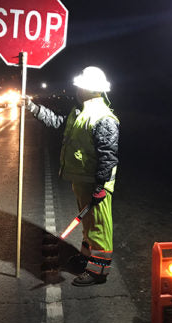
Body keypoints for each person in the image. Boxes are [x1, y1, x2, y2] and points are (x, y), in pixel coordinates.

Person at [23, 66, 120, 287]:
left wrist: (101, 186)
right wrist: (31, 107)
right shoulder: (80, 113)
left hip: (96, 184)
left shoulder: (102, 117)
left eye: (79, 87)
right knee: (88, 224)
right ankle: (87, 259)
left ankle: (98, 271)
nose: (76, 90)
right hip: (83, 181)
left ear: (87, 89)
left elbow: (108, 155)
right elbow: (56, 122)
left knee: (99, 226)